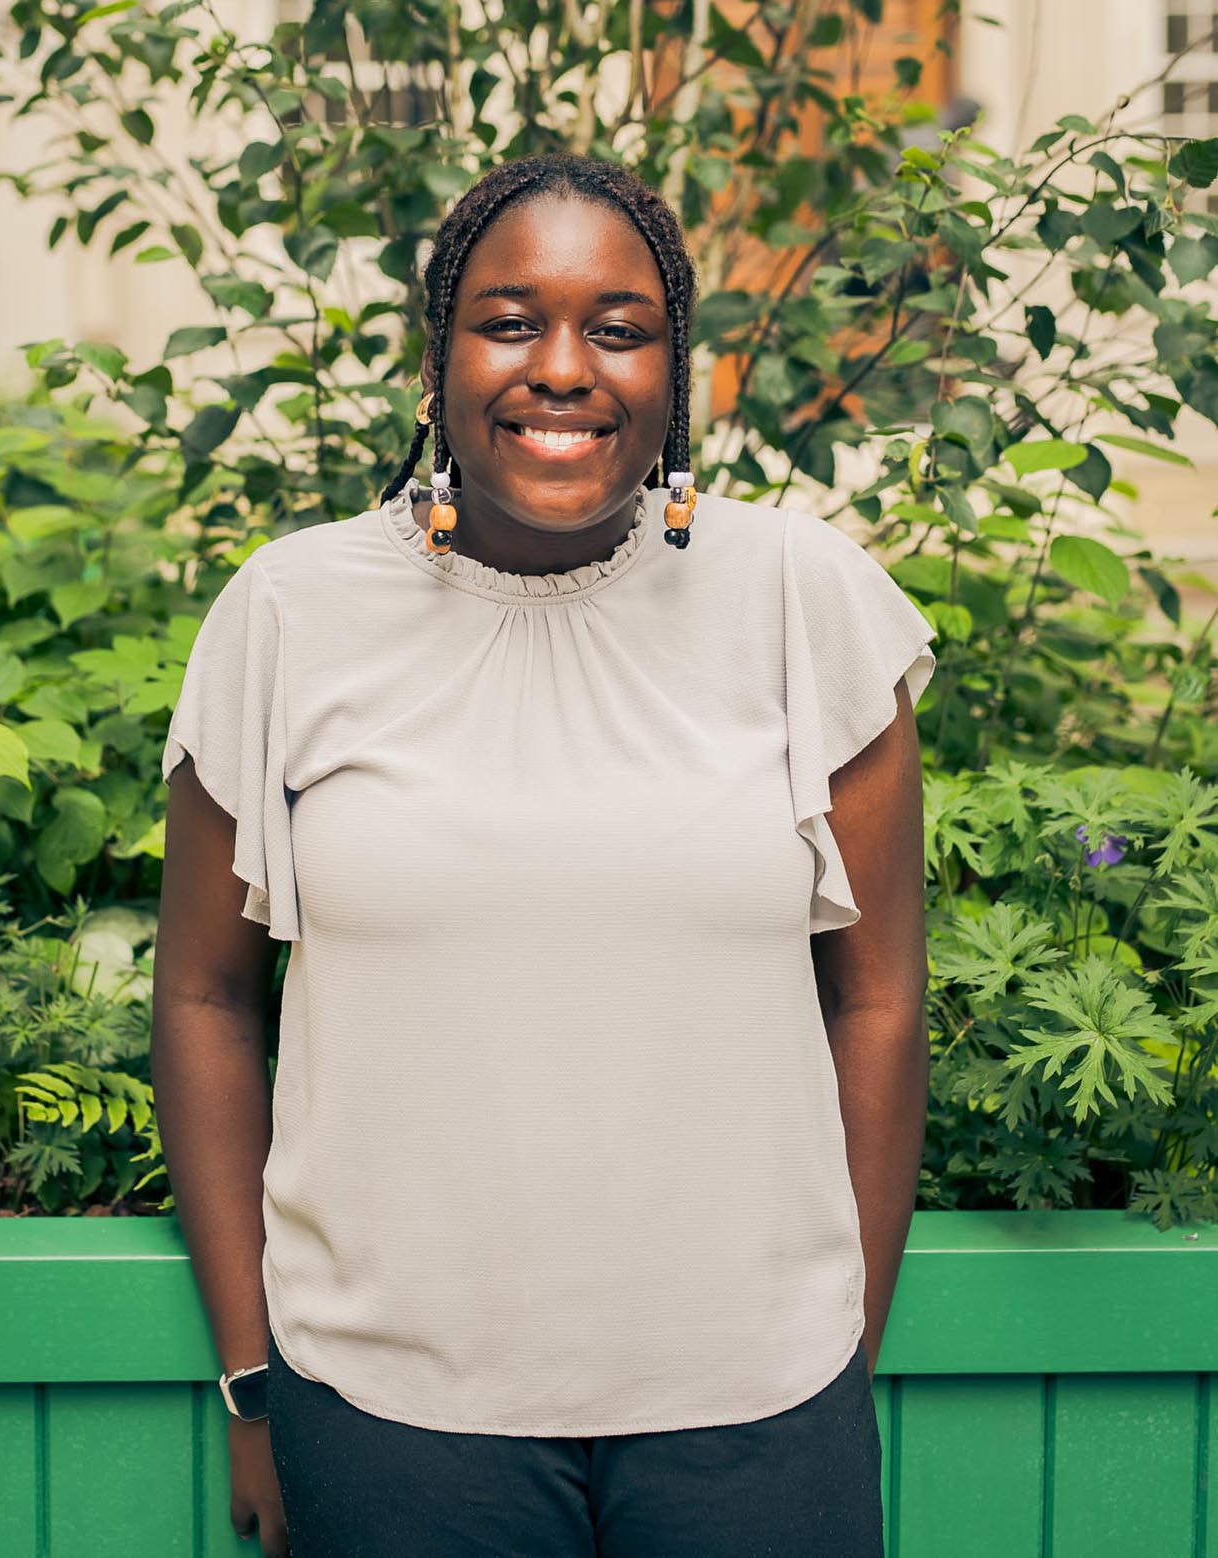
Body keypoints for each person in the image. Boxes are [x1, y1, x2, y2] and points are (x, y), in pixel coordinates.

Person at [152, 152, 934, 1558]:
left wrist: (839, 1346)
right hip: (390, 1410)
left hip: (756, 1408)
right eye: (509, 321)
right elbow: (208, 999)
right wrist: (255, 1385)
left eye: (618, 328)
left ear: (670, 365)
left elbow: (873, 998)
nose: (561, 367)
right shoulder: (289, 614)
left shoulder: (803, 605)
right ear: (439, 356)